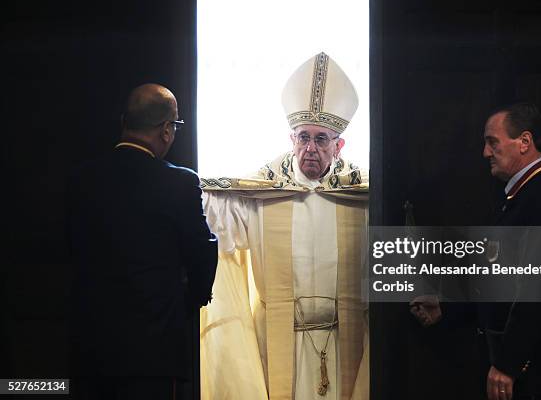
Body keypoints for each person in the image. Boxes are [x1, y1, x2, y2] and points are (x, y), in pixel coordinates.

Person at [199, 52, 369, 400]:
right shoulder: (262, 190)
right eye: (302, 137)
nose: (309, 148)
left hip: (345, 336)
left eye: (320, 139)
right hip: (278, 337)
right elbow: (216, 218)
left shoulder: (362, 193)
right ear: (291, 139)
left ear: (339, 145)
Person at [67, 83, 218, 400]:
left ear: (125, 121)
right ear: (166, 130)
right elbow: (203, 252)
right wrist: (187, 304)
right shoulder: (178, 183)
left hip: (90, 348)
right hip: (153, 352)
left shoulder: (82, 179)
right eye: (174, 125)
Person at [479, 102, 541, 400]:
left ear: (524, 142)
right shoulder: (523, 195)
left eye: (492, 142)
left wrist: (508, 363)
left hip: (538, 375)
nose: (486, 153)